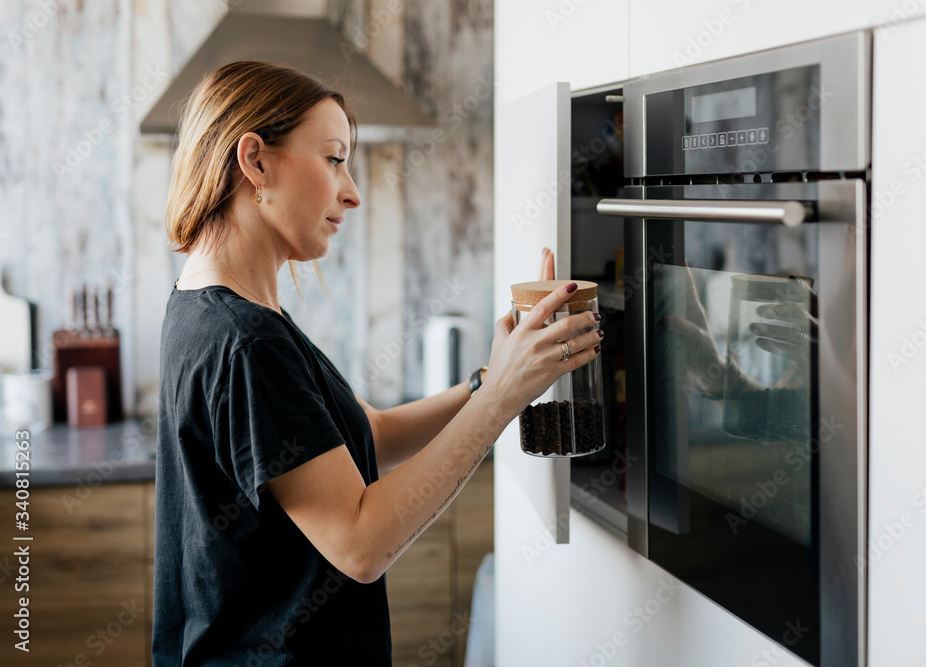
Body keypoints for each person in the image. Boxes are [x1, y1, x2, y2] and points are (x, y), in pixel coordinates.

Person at [153, 60, 602, 665]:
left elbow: (373, 433)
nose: (352, 191)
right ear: (255, 161)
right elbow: (361, 545)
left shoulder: (214, 309)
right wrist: (498, 403)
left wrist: (494, 379)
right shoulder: (246, 341)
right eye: (335, 158)